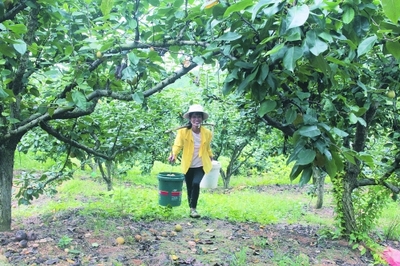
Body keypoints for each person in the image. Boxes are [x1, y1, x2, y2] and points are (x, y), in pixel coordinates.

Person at [168, 104, 213, 218]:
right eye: (194, 117)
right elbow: (177, 145)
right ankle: (191, 208)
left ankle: (194, 208)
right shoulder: (183, 132)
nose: (196, 119)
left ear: (202, 119)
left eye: (199, 117)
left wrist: (210, 155)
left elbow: (207, 147)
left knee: (196, 183)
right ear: (190, 119)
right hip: (188, 164)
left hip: (201, 163)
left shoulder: (207, 133)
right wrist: (173, 154)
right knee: (189, 187)